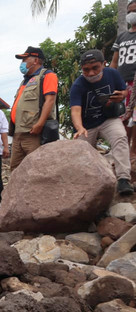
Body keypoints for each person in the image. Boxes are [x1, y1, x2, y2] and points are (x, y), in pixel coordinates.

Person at [71, 49, 134, 195]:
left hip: (108, 119)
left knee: (120, 136)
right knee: (80, 151)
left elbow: (124, 91)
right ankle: (86, 185)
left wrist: (121, 96)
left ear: (104, 64)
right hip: (86, 125)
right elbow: (75, 110)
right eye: (86, 70)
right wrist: (79, 127)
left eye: (95, 68)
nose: (91, 73)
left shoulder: (113, 74)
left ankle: (123, 179)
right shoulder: (78, 85)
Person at [9, 46, 58, 171]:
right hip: (18, 133)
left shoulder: (47, 75)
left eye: (24, 59)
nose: (22, 63)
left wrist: (40, 124)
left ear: (35, 60)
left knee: (36, 170)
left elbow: (50, 100)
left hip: (33, 134)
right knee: (15, 170)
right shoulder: (25, 81)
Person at [110, 0, 136, 151]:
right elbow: (114, 62)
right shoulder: (122, 37)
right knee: (123, 119)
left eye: (135, 11)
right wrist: (111, 81)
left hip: (135, 83)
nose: (132, 14)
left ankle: (133, 155)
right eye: (129, 12)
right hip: (122, 84)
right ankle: (123, 153)